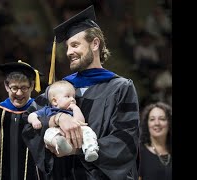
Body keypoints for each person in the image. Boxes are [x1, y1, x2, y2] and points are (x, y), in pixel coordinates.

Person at [22, 5, 140, 180]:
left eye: (75, 45)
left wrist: (75, 148)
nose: (69, 52)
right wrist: (58, 118)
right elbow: (28, 122)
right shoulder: (61, 88)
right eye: (68, 47)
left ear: (95, 43)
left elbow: (126, 140)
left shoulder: (121, 88)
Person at [0, 60, 47, 180]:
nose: (19, 93)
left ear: (32, 86)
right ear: (6, 86)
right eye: (14, 88)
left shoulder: (41, 113)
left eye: (24, 88)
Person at [28, 80, 99, 162]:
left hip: (74, 131)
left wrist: (75, 108)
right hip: (56, 130)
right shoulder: (47, 110)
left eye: (73, 97)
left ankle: (90, 150)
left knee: (87, 130)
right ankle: (60, 145)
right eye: (68, 96)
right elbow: (31, 115)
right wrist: (34, 121)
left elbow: (80, 121)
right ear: (55, 101)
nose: (72, 99)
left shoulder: (72, 110)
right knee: (48, 134)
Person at [138, 102, 172, 180]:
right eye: (152, 119)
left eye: (162, 119)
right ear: (147, 124)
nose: (157, 123)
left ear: (169, 123)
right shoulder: (138, 153)